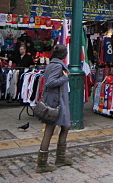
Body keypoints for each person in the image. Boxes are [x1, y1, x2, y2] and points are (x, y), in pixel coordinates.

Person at [36, 44, 73, 173]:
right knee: (50, 130)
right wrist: (65, 78)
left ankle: (60, 157)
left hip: (57, 100)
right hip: (56, 102)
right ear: (63, 55)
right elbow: (50, 83)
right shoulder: (57, 66)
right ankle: (42, 163)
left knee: (65, 126)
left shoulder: (51, 64)